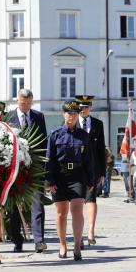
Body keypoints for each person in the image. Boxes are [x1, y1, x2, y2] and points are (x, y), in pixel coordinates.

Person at [46, 100, 95, 261]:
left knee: (77, 209)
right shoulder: (55, 135)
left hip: (78, 175)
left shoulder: (84, 136)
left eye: (74, 113)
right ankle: (62, 244)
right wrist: (50, 181)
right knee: (61, 213)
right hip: (60, 176)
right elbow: (50, 160)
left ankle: (76, 245)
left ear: (77, 115)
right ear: (63, 114)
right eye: (68, 113)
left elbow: (89, 159)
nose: (71, 116)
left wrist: (90, 181)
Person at [6, 90, 48, 254]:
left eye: (28, 102)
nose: (25, 105)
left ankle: (39, 241)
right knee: (14, 207)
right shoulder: (8, 117)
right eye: (23, 102)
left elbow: (43, 141)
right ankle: (17, 240)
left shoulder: (39, 117)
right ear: (18, 100)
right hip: (14, 169)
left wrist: (44, 168)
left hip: (35, 169)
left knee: (37, 204)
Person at [76, 95, 107, 247]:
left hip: (92, 169)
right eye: (81, 107)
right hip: (76, 169)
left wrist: (102, 172)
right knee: (76, 203)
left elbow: (101, 149)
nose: (83, 110)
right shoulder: (72, 122)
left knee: (91, 199)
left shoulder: (98, 124)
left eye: (86, 107)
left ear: (90, 107)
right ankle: (78, 234)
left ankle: (90, 232)